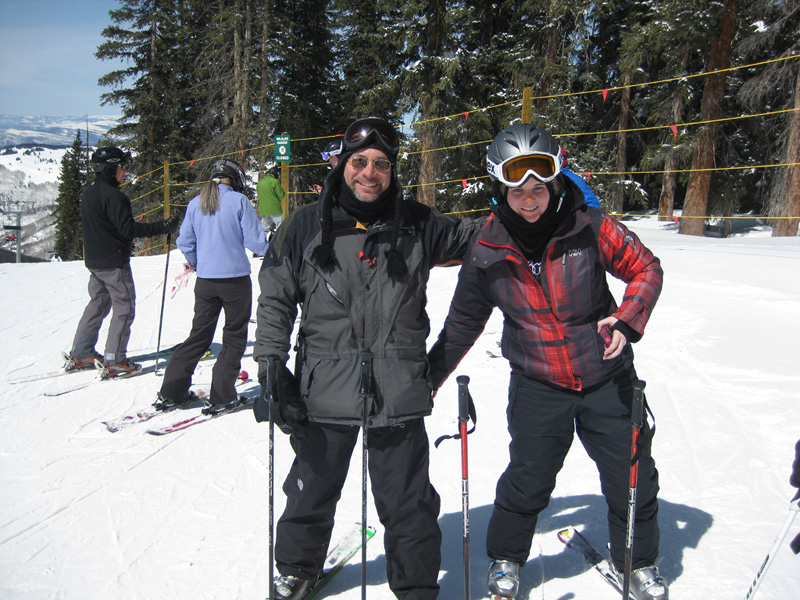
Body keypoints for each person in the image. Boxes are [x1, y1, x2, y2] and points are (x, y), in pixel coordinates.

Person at [427, 123, 668, 600]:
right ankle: (507, 558)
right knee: (528, 478)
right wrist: (429, 377)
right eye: (517, 191)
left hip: (607, 378)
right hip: (537, 384)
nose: (529, 200)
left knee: (632, 475)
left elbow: (645, 267)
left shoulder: (588, 225)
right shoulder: (487, 248)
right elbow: (463, 322)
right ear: (501, 191)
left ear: (555, 184)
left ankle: (637, 562)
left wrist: (627, 318)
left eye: (538, 188)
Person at [253, 117, 485, 600]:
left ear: (392, 170)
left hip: (398, 388)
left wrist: (530, 195)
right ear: (342, 164)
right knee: (311, 490)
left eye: (381, 164)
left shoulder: (419, 223)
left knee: (408, 502)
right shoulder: (304, 225)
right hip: (323, 387)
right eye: (359, 162)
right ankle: (296, 568)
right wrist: (271, 363)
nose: (369, 173)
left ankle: (416, 586)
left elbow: (480, 236)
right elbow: (275, 298)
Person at [155, 158, 268, 413]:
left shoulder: (196, 202)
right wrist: (275, 251)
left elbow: (184, 241)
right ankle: (222, 395)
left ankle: (172, 391)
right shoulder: (239, 201)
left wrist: (198, 263)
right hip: (235, 280)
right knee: (234, 336)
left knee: (199, 335)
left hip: (206, 281)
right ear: (235, 178)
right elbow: (256, 242)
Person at [67, 146, 179, 376]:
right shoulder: (114, 196)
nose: (125, 171)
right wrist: (162, 227)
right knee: (124, 307)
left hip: (95, 261)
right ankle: (115, 359)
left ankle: (82, 351)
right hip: (113, 262)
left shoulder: (90, 191)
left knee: (98, 303)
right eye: (122, 167)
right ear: (110, 168)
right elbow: (128, 229)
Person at [256, 165, 285, 234]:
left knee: (264, 228)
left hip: (264, 209)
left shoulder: (260, 182)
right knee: (281, 227)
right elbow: (281, 195)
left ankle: (263, 239)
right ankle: (280, 239)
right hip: (275, 209)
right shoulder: (275, 181)